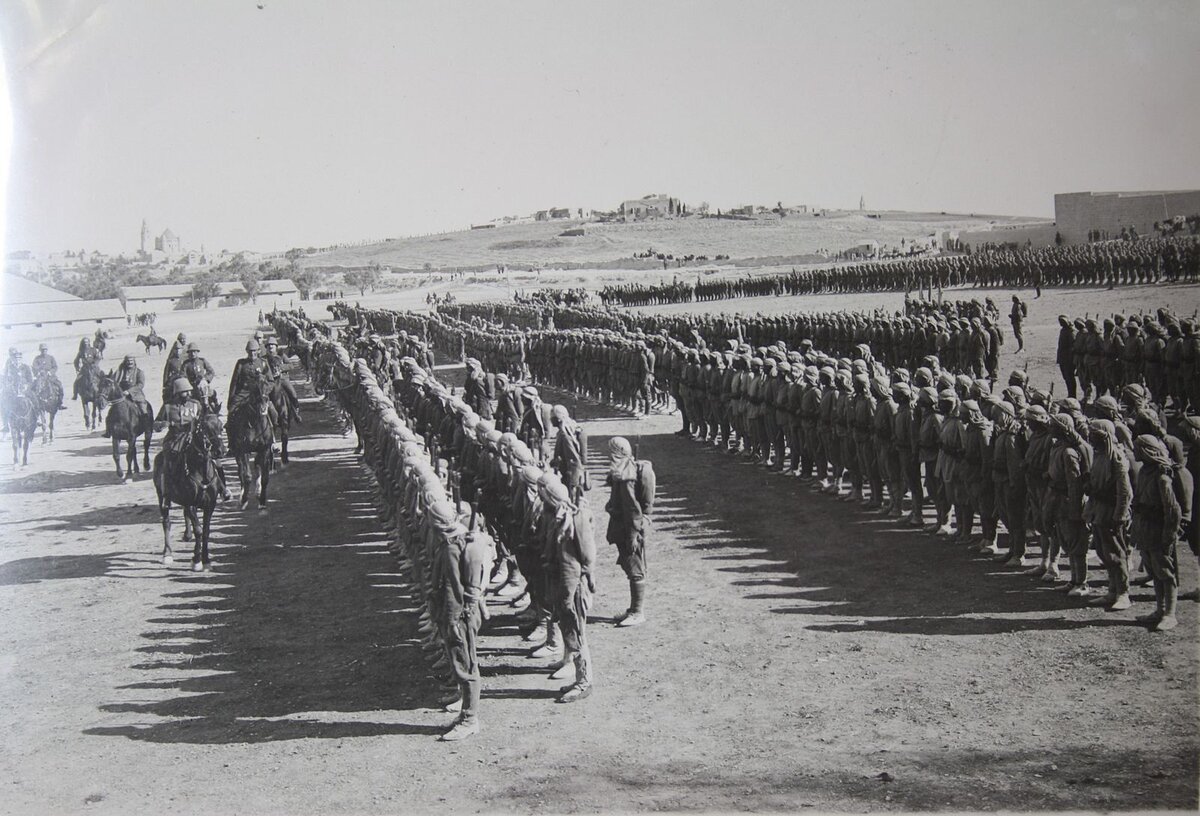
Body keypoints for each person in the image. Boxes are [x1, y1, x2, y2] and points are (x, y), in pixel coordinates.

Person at [433, 499, 493, 741]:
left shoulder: (452, 547)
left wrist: (451, 621)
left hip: (458, 615)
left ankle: (470, 719)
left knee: (465, 665)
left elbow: (452, 590)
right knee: (464, 662)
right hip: (461, 613)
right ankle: (466, 713)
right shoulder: (458, 541)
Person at [540, 473, 596, 703]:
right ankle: (578, 678)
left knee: (578, 634)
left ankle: (584, 682)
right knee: (571, 632)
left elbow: (582, 559)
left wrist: (568, 596)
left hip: (573, 591)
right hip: (564, 588)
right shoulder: (560, 518)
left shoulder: (572, 521)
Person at [1131, 435, 1183, 632]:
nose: (1134, 451)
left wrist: (1169, 536)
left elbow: (1173, 510)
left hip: (1158, 530)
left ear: (1147, 451)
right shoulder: (1145, 471)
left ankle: (1170, 613)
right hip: (1144, 528)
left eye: (1137, 448)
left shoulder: (1162, 477)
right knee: (1154, 569)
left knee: (1166, 573)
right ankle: (1159, 609)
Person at [604, 437, 653, 627]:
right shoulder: (623, 471)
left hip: (628, 528)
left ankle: (638, 612)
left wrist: (633, 535)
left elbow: (633, 510)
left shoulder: (627, 478)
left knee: (635, 568)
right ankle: (633, 609)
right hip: (624, 526)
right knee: (629, 565)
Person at [106, 354, 152, 438]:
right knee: (111, 412)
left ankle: (147, 427)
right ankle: (108, 431)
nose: (130, 363)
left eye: (131, 361)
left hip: (136, 395)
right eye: (128, 361)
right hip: (121, 395)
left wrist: (129, 391)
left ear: (134, 362)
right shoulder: (120, 371)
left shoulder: (139, 372)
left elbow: (140, 385)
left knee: (143, 409)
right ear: (125, 362)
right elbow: (114, 381)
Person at [549, 404, 588, 503]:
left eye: (552, 418)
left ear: (558, 419)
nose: (550, 420)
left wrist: (573, 481)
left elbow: (573, 459)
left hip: (570, 475)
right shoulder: (566, 430)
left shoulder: (565, 436)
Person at [263, 338, 302, 423]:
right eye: (269, 345)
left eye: (272, 345)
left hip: (282, 379)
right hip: (270, 381)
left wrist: (281, 368)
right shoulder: (264, 358)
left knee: (292, 393)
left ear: (276, 346)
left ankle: (296, 412)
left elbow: (291, 365)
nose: (271, 347)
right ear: (266, 347)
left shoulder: (281, 355)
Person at [31, 343, 67, 409]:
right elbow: (34, 367)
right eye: (42, 350)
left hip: (50, 377)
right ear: (40, 350)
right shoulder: (37, 358)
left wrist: (50, 372)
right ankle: (33, 405)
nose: (44, 351)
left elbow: (55, 367)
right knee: (32, 388)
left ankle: (60, 403)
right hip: (41, 378)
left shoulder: (51, 358)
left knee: (60, 386)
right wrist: (38, 372)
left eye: (45, 350)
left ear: (47, 350)